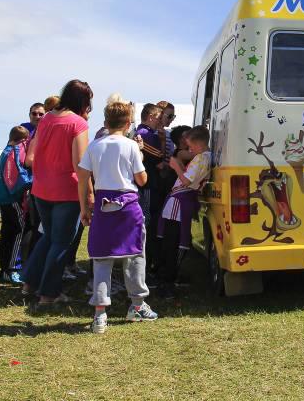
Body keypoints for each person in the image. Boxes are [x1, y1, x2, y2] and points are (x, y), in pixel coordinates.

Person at [78, 100, 158, 333]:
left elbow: (82, 176)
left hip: (103, 206)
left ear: (105, 122)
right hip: (128, 206)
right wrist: (140, 155)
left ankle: (100, 314)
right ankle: (137, 305)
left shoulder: (95, 146)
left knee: (102, 259)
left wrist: (84, 207)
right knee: (134, 257)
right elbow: (142, 180)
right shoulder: (131, 146)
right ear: (128, 123)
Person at [22, 80, 91, 305]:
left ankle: (30, 281)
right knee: (61, 242)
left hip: (41, 189)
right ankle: (49, 293)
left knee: (49, 237)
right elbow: (80, 164)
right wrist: (88, 194)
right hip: (66, 191)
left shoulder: (47, 119)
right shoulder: (78, 123)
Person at [157, 125, 211, 294]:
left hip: (179, 202)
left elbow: (187, 181)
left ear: (199, 144)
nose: (189, 150)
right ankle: (169, 277)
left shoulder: (202, 157)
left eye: (191, 146)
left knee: (171, 242)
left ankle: (168, 281)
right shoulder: (204, 156)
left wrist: (175, 166)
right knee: (172, 241)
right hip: (180, 200)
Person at [0, 125, 32, 284]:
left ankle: (4, 268)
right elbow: (20, 176)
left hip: (3, 198)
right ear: (23, 140)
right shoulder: (16, 151)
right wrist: (33, 181)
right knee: (19, 229)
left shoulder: (4, 152)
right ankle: (13, 267)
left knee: (6, 233)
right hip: (13, 197)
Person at [135, 103, 163, 267]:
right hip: (147, 183)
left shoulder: (145, 132)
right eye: (159, 118)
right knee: (147, 221)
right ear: (151, 117)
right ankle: (145, 262)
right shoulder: (146, 134)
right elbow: (159, 156)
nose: (161, 122)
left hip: (147, 182)